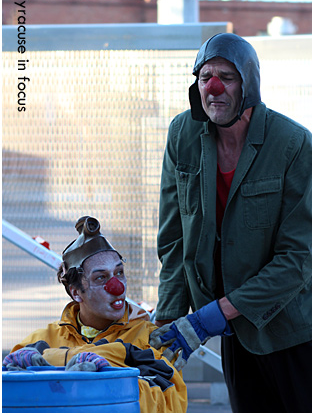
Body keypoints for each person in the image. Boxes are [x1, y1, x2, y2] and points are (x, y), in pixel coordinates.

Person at [149, 33, 312, 413]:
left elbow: (297, 260)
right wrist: (171, 316)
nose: (214, 87)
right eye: (205, 77)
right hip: (232, 332)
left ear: (249, 84)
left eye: (227, 76)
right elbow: (174, 236)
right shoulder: (182, 134)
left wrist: (217, 313)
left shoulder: (293, 143)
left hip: (287, 330)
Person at [3, 216, 187, 413]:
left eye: (119, 273)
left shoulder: (149, 338)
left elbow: (171, 403)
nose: (118, 287)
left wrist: (106, 378)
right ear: (75, 292)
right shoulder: (39, 341)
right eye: (101, 277)